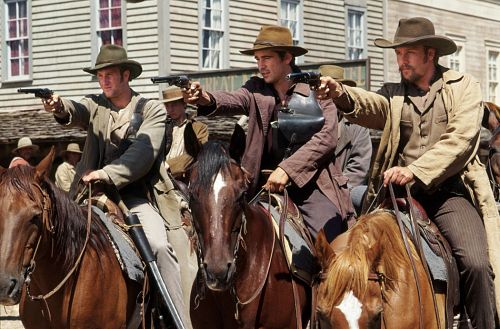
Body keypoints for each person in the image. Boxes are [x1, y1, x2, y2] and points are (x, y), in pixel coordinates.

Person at [317, 17, 499, 328]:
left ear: (431, 54)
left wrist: (414, 170)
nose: (401, 60)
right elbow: (372, 106)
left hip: (449, 193)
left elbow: (460, 139)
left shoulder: (464, 87)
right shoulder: (394, 92)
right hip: (397, 194)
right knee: (345, 255)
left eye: (408, 53)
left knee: (476, 263)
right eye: (398, 54)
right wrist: (341, 94)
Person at [42, 44, 192, 328]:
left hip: (138, 195)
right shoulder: (96, 104)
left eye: (110, 74)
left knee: (160, 247)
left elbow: (142, 156)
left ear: (127, 75)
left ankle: (176, 320)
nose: (104, 81)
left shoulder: (153, 109)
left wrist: (106, 174)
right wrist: (59, 106)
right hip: (92, 194)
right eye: (100, 76)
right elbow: (75, 110)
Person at [183, 25, 353, 242]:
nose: (260, 65)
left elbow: (326, 138)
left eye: (266, 58)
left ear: (287, 57)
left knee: (330, 238)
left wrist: (287, 170)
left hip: (312, 187)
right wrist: (203, 97)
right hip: (262, 186)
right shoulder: (256, 89)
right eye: (257, 59)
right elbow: (230, 99)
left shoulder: (317, 90)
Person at [319, 65, 372, 214]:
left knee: (365, 197)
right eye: (323, 92)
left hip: (345, 187)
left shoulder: (357, 125)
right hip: (314, 188)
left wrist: (337, 191)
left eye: (331, 92)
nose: (327, 97)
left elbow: (359, 167)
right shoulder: (310, 120)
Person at [163, 86, 208, 183]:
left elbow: (196, 153)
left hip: (187, 179)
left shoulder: (199, 128)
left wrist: (169, 165)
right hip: (161, 177)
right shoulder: (162, 127)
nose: (170, 109)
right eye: (167, 105)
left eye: (174, 104)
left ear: (184, 104)